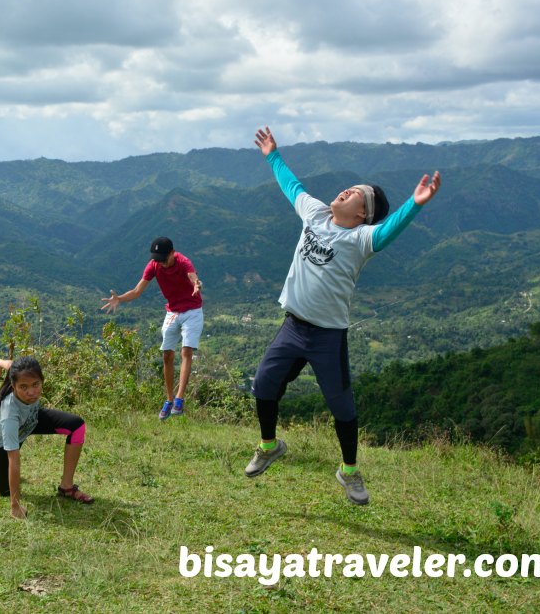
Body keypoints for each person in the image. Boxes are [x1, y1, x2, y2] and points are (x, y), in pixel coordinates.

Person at [245, 127, 442, 506]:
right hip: (293, 326)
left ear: (363, 213)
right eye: (348, 187)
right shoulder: (315, 213)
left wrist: (414, 204)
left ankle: (349, 471)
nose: (346, 191)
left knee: (342, 406)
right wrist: (272, 154)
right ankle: (269, 446)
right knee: (264, 386)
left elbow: (387, 232)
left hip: (327, 337)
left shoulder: (361, 240)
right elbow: (291, 186)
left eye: (356, 194)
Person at [103, 237, 203, 420]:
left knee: (186, 351)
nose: (161, 263)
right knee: (167, 354)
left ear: (173, 253)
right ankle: (169, 399)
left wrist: (196, 284)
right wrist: (119, 299)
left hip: (192, 311)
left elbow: (192, 276)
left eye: (164, 259)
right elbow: (137, 291)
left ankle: (180, 399)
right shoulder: (154, 265)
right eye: (158, 259)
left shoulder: (183, 261)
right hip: (172, 312)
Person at [0, 356, 94, 519]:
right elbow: (14, 461)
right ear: (13, 385)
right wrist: (15, 506)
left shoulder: (19, 371)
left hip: (30, 418)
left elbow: (9, 364)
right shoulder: (8, 415)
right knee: (5, 491)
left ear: (42, 380)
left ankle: (66, 487)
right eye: (23, 387)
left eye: (36, 385)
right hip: (2, 437)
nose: (31, 392)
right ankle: (9, 489)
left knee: (76, 426)